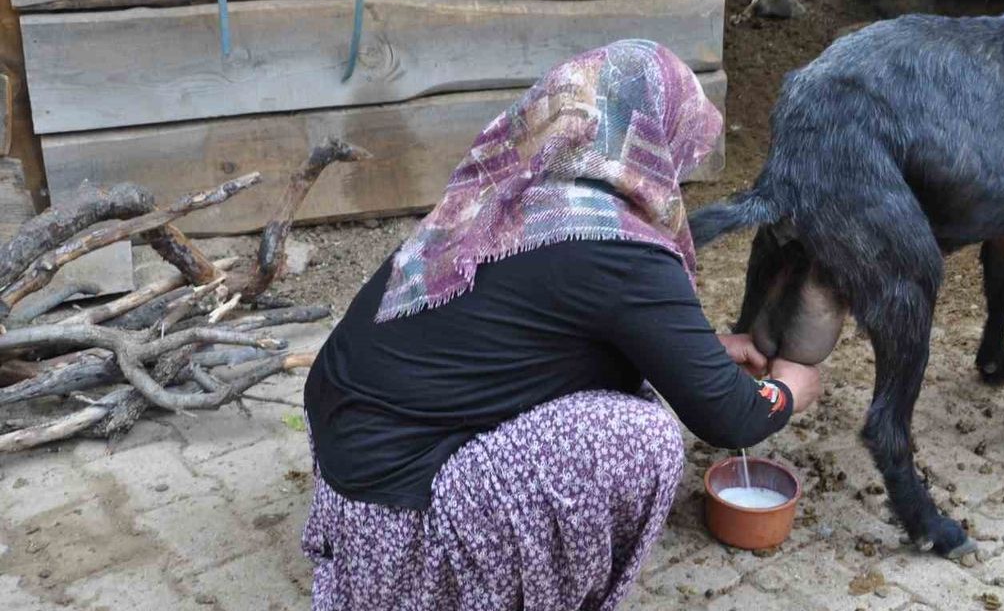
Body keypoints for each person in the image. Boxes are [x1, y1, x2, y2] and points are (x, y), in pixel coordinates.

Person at [301, 39, 822, 611]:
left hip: (344, 466)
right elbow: (731, 416)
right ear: (652, 140)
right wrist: (787, 389)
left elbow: (546, 326)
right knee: (644, 439)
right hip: (399, 518)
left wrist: (703, 350)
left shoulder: (512, 192)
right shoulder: (621, 248)